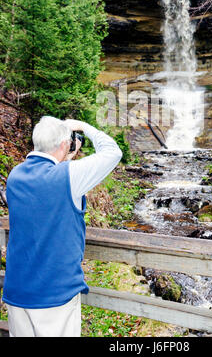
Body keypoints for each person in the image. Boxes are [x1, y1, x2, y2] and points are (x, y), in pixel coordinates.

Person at [2, 116, 122, 337]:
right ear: (65, 144)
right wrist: (83, 126)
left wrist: (64, 155)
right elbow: (113, 152)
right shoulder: (69, 176)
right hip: (54, 294)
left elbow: (45, 195)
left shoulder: (15, 176)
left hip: (17, 291)